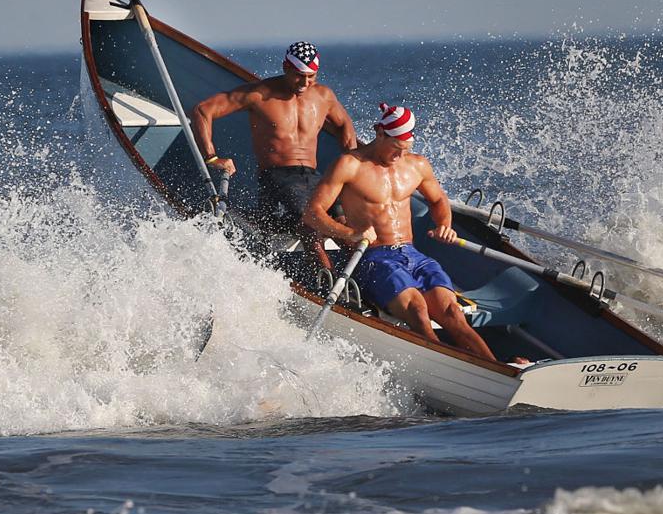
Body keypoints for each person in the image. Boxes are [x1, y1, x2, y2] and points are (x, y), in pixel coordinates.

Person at [303, 103, 506, 362]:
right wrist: (351, 233)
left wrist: (444, 224)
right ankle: (443, 366)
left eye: (406, 149)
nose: (400, 156)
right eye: (396, 148)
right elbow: (312, 213)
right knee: (418, 311)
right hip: (374, 258)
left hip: (413, 255)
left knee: (453, 313)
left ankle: (494, 366)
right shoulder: (350, 165)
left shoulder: (417, 165)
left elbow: (438, 200)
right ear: (379, 133)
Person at [190, 42, 358, 269]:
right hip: (279, 178)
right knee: (310, 224)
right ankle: (327, 282)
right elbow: (202, 110)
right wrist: (211, 157)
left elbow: (344, 124)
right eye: (299, 76)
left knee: (345, 223)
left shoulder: (324, 96)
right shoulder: (259, 94)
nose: (305, 83)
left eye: (311, 77)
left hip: (313, 177)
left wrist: (353, 163)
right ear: (285, 67)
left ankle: (364, 284)